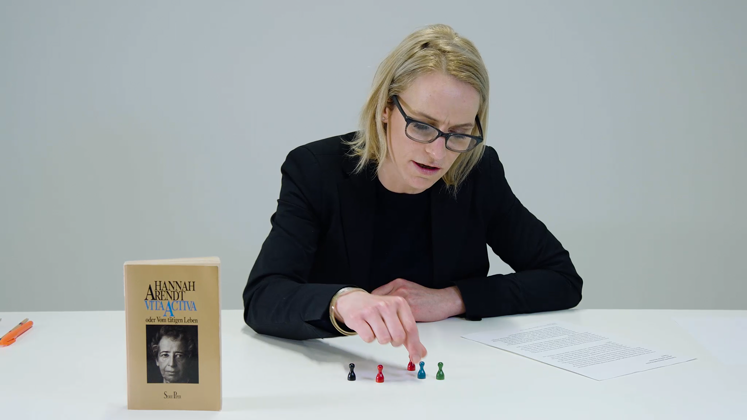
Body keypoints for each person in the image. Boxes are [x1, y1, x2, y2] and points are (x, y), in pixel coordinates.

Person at [242, 24, 583, 365]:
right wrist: (342, 302)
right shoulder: (316, 170)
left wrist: (452, 298)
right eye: (421, 125)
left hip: (453, 368)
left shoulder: (477, 172)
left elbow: (562, 278)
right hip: (342, 369)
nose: (437, 153)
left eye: (459, 133)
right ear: (385, 108)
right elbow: (263, 296)